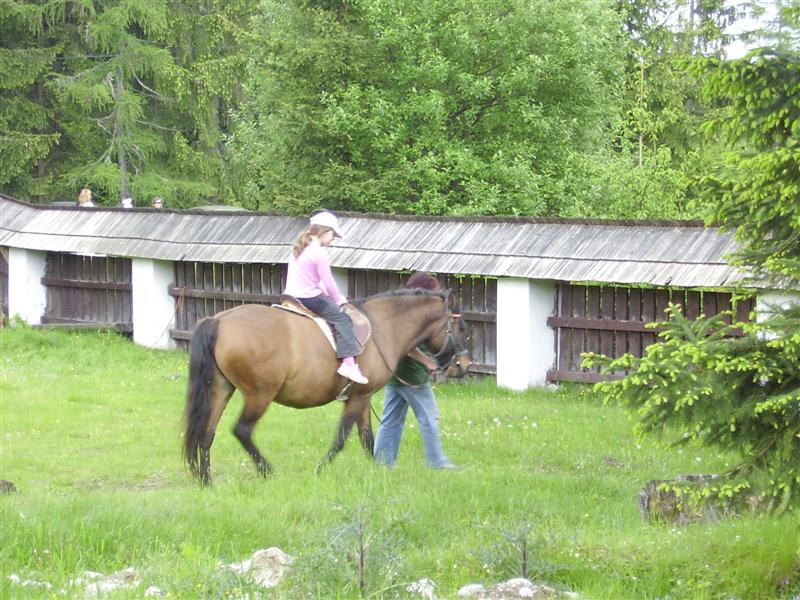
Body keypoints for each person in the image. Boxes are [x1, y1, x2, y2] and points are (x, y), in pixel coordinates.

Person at [373, 272, 459, 470]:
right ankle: (437, 462)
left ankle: (383, 463)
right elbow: (406, 346)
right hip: (411, 376)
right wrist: (427, 362)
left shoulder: (401, 311)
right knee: (429, 416)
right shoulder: (410, 316)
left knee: (391, 419)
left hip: (396, 375)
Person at [283, 211, 368, 385]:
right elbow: (328, 283)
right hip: (309, 297)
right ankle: (349, 364)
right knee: (342, 319)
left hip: (291, 295)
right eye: (333, 235)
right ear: (324, 231)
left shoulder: (300, 248)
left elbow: (314, 280)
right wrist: (339, 300)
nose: (333, 239)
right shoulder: (319, 252)